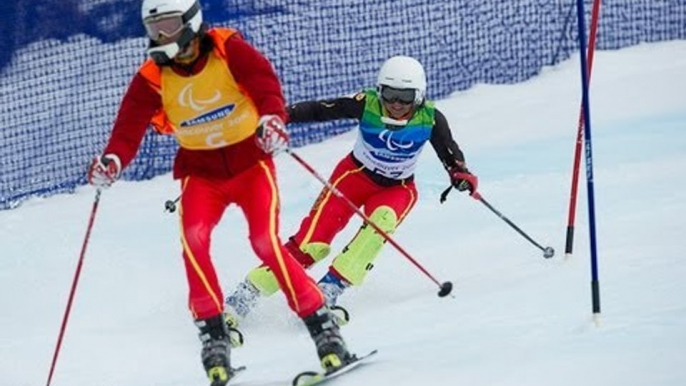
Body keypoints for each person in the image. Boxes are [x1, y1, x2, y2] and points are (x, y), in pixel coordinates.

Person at [87, 0, 352, 384]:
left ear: (192, 21)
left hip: (250, 166)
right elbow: (127, 128)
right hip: (201, 175)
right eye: (155, 28)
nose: (163, 36)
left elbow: (264, 84)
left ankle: (324, 330)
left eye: (170, 25)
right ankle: (213, 339)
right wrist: (111, 161)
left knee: (265, 242)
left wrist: (272, 118)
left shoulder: (228, 50)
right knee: (194, 240)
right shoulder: (153, 76)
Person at [223, 55, 478, 327]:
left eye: (405, 97)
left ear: (419, 96)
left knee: (381, 224)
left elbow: (450, 153)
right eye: (390, 94)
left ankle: (328, 291)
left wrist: (459, 173)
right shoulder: (366, 103)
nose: (396, 104)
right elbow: (322, 109)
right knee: (311, 244)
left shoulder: (431, 119)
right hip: (353, 178)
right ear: (379, 90)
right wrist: (282, 116)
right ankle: (245, 296)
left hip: (397, 188)